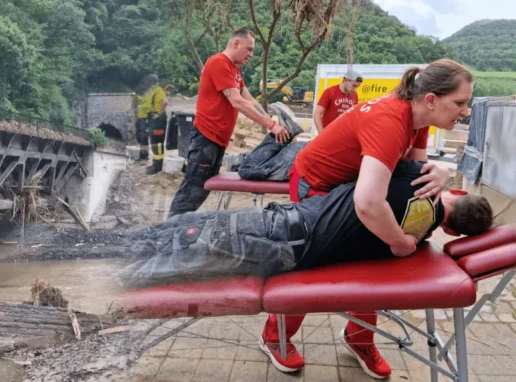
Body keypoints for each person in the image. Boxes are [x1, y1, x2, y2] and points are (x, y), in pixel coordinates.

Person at [119, 160, 493, 376]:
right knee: (175, 251)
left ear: (458, 194)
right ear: (451, 231)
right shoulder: (414, 241)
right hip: (287, 241)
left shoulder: (412, 173)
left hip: (283, 227)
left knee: (175, 237)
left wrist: (440, 170)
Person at [262, 58, 475, 379]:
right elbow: (368, 202)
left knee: (373, 253)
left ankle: (359, 338)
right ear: (431, 99)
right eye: (460, 103)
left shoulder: (419, 118)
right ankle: (274, 336)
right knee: (312, 259)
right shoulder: (390, 119)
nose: (465, 111)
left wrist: (440, 173)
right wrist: (400, 241)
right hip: (316, 183)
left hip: (352, 185)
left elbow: (414, 178)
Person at [168, 27, 291, 218]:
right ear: (236, 43)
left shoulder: (234, 70)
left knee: (201, 190)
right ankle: (169, 230)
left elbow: (249, 99)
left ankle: (176, 228)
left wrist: (273, 121)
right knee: (192, 191)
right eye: (249, 49)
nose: (251, 54)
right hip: (206, 139)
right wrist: (271, 125)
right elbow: (237, 101)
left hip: (218, 141)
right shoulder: (218, 62)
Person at [134, 74, 169, 174]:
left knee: (157, 143)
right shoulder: (153, 91)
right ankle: (155, 165)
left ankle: (157, 167)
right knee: (155, 142)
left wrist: (159, 114)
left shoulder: (158, 90)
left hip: (158, 119)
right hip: (154, 118)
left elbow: (165, 102)